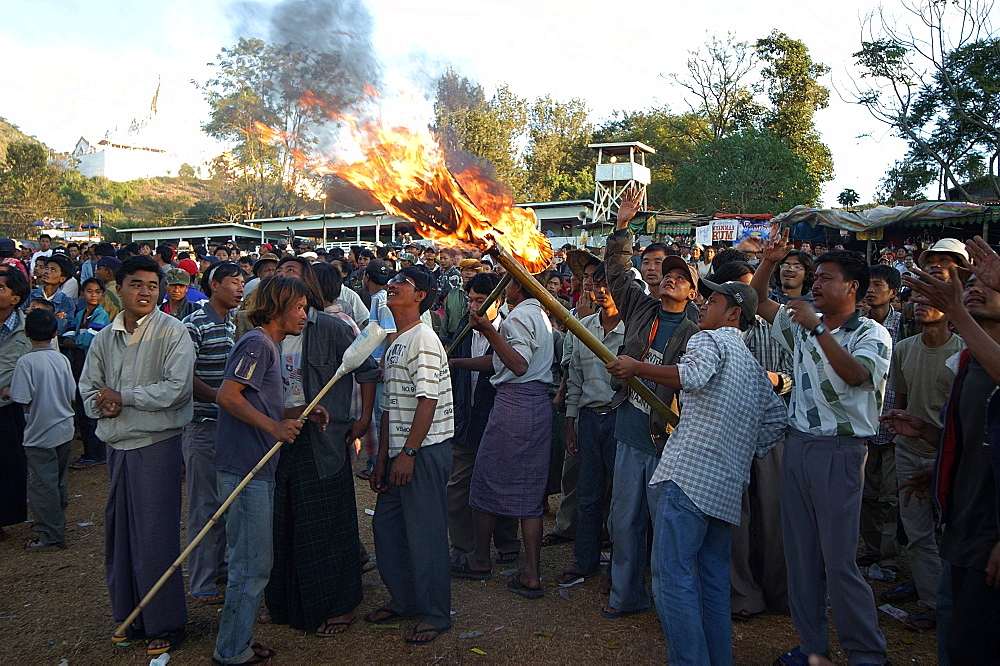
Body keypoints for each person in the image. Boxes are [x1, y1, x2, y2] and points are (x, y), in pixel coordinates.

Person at [606, 278, 786, 665]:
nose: (703, 304)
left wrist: (636, 367)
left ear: (734, 313)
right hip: (724, 488)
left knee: (673, 581)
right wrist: (733, 448)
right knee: (711, 584)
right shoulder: (753, 366)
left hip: (687, 478)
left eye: (713, 299)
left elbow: (693, 376)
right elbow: (774, 422)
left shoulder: (709, 340)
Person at [750, 233, 891, 666]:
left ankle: (866, 653)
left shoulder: (872, 334)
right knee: (802, 558)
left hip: (842, 453)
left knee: (839, 562)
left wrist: (815, 327)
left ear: (853, 287)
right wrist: (769, 263)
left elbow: (853, 375)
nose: (816, 283)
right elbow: (756, 302)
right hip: (799, 447)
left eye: (827, 278)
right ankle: (812, 648)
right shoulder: (802, 326)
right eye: (818, 277)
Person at [888, 240, 1000, 662]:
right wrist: (938, 457)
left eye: (990, 286)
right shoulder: (969, 362)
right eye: (975, 283)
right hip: (964, 531)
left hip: (991, 539)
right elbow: (978, 444)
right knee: (954, 641)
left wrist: (956, 313)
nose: (974, 289)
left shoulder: (975, 354)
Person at [79, 255, 195, 656]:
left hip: (155, 445)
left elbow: (176, 389)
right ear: (120, 287)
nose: (145, 292)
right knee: (120, 533)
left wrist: (123, 397)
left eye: (152, 285)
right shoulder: (102, 337)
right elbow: (89, 386)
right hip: (117, 445)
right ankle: (129, 613)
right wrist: (102, 404)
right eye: (136, 284)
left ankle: (165, 621)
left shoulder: (173, 333)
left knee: (155, 535)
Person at [601, 187, 700, 618]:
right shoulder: (642, 310)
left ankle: (669, 607)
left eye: (682, 276)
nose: (671, 277)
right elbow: (617, 272)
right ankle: (624, 598)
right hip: (629, 433)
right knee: (623, 524)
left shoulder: (700, 331)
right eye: (668, 273)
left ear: (694, 293)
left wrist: (637, 369)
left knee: (666, 531)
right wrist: (623, 226)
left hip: (668, 441)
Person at [264, 270, 379, 638]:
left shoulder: (331, 328)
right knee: (285, 523)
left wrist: (361, 421)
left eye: (297, 283)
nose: (298, 307)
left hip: (324, 441)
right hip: (280, 439)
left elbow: (368, 371)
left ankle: (338, 604)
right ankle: (285, 602)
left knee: (328, 523)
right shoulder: (265, 336)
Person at [212, 276, 313, 665]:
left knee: (253, 563)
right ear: (276, 307)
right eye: (299, 307)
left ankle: (239, 640)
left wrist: (297, 414)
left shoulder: (269, 344)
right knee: (251, 566)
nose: (304, 315)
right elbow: (227, 394)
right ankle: (231, 651)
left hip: (258, 468)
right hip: (245, 469)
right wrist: (274, 428)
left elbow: (263, 403)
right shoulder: (257, 343)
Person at [368, 266, 455, 644]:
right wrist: (382, 457)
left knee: (426, 533)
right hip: (402, 450)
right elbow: (389, 406)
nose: (393, 286)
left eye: (402, 282)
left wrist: (409, 453)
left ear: (421, 295)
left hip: (424, 450)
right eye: (392, 281)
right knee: (387, 528)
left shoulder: (424, 339)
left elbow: (428, 400)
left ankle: (435, 612)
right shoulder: (397, 340)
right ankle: (405, 600)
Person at [457, 274, 553, 599]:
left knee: (485, 480)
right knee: (529, 490)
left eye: (506, 283)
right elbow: (500, 360)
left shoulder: (522, 315)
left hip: (516, 406)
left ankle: (482, 559)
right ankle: (530, 572)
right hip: (533, 406)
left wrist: (488, 330)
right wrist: (457, 361)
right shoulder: (537, 312)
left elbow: (518, 364)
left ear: (516, 286)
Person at [880, 297, 965, 631]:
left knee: (950, 532)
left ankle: (947, 598)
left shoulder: (963, 354)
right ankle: (932, 601)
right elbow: (901, 403)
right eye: (916, 301)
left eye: (930, 301)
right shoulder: (904, 348)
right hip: (908, 449)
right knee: (917, 533)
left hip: (947, 455)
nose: (919, 306)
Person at [554, 262, 624, 587]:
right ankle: (585, 561)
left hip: (621, 419)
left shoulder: (634, 329)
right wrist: (570, 423)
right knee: (589, 494)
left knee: (623, 498)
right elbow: (576, 382)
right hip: (589, 418)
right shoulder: (582, 327)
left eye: (607, 283)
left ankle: (620, 570)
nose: (601, 289)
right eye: (596, 283)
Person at [180, 261, 245, 606]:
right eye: (233, 282)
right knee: (204, 506)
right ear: (213, 285)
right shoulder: (194, 325)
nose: (239, 288)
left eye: (242, 282)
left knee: (226, 502)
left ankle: (220, 566)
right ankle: (203, 582)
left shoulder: (237, 324)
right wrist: (222, 397)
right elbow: (184, 378)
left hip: (231, 426)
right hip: (204, 426)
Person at [447, 272, 521, 568]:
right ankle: (463, 546)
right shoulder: (463, 331)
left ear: (498, 302)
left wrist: (456, 362)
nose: (473, 306)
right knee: (458, 485)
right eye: (470, 300)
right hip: (465, 422)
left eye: (481, 300)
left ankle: (507, 542)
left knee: (501, 481)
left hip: (497, 420)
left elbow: (504, 364)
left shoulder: (510, 331)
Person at [8, 309, 76, 551]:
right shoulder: (61, 359)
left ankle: (50, 534)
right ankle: (56, 523)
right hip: (64, 427)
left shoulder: (26, 362)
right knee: (58, 480)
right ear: (55, 333)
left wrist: (8, 390)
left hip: (40, 431)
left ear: (26, 333)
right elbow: (71, 393)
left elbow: (21, 397)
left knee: (41, 484)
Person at [859, 264, 903, 575]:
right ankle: (872, 549)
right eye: (868, 284)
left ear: (893, 292)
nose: (871, 290)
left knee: (890, 496)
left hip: (894, 425)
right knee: (864, 493)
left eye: (879, 285)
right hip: (864, 424)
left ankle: (888, 557)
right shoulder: (856, 325)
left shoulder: (905, 325)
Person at [63, 277, 111, 468]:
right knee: (81, 409)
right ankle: (89, 451)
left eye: (97, 292)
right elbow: (67, 335)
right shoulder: (81, 313)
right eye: (89, 291)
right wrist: (75, 339)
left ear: (102, 295)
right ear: (82, 294)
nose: (93, 295)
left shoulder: (101, 315)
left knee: (91, 406)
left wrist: (74, 340)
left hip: (91, 366)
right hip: (78, 364)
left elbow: (85, 340)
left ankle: (96, 453)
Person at [0, 268, 32, 541]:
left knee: (8, 463)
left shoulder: (27, 329)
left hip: (8, 406)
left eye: (1, 288)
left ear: (15, 298)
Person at [27, 255, 75, 334]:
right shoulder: (29, 295)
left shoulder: (66, 302)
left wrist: (34, 315)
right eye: (46, 268)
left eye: (53, 270)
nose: (46, 271)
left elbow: (59, 329)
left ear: (62, 278)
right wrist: (53, 318)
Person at [440, 258, 482, 342]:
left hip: (473, 337)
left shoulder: (481, 295)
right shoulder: (452, 294)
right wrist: (443, 339)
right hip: (452, 337)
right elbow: (446, 319)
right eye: (465, 270)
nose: (468, 273)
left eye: (472, 270)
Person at [94, 256, 122, 321]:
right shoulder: (123, 288)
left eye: (98, 269)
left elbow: (100, 320)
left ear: (109, 273)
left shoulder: (106, 294)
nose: (95, 272)